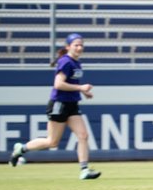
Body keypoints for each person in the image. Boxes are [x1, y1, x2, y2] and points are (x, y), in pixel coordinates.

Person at [8, 33, 102, 180]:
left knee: (83, 135)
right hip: (59, 104)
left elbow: (73, 82)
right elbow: (58, 84)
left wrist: (84, 92)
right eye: (76, 45)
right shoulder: (66, 61)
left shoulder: (76, 62)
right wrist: (81, 88)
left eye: (81, 45)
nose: (79, 47)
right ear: (68, 47)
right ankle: (21, 149)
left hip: (72, 105)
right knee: (52, 142)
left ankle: (84, 170)